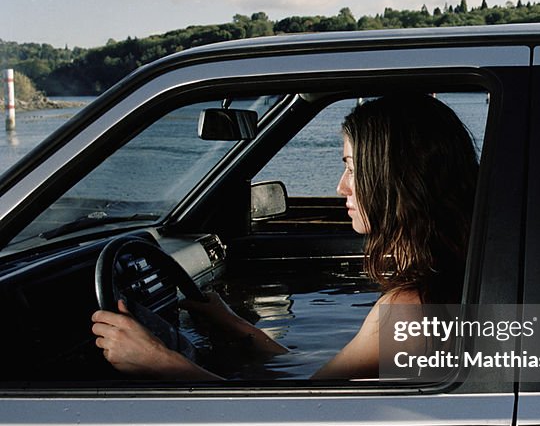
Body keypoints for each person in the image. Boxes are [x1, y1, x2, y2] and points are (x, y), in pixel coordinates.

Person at [92, 93, 479, 381]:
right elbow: (318, 382)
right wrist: (234, 325)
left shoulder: (408, 310)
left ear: (396, 180)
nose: (342, 187)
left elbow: (297, 415)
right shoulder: (453, 281)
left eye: (353, 168)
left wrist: (160, 362)